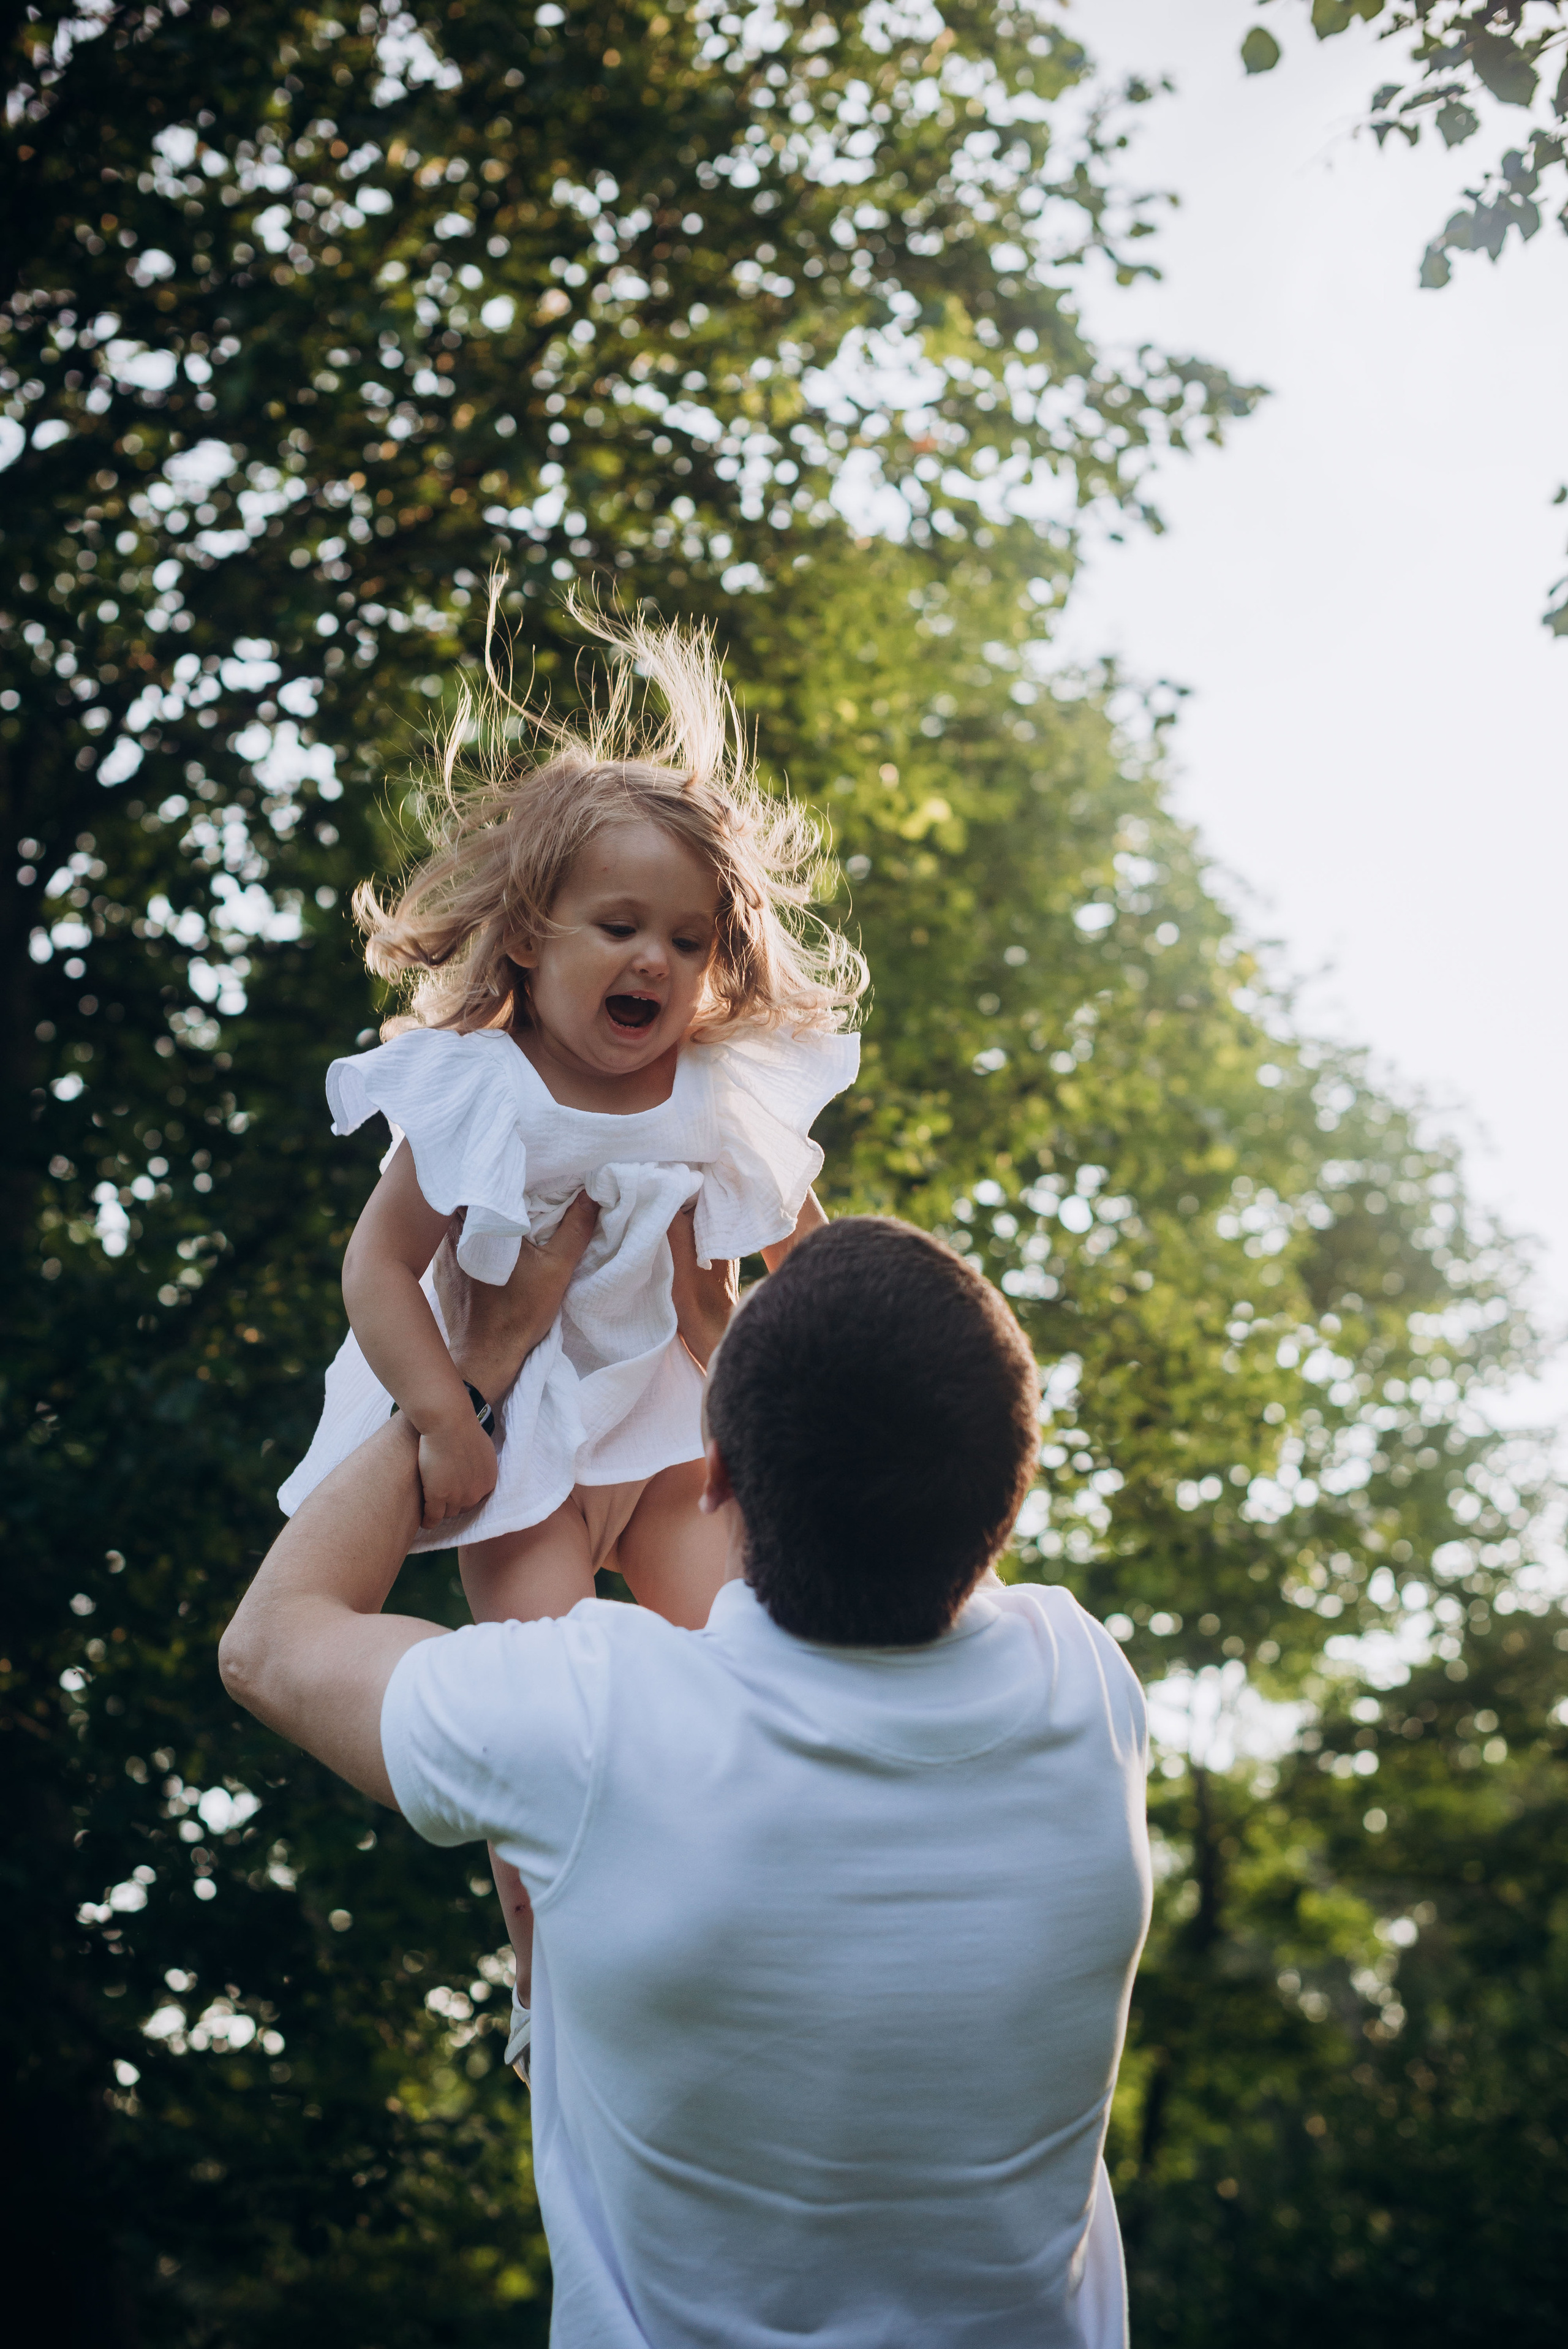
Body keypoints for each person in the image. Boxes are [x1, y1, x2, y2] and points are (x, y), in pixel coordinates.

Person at [221, 1212, 1152, 2348]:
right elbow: (942, 1512)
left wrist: (472, 1376)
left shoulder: (600, 1722)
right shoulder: (1087, 1686)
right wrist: (727, 1352)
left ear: (712, 1474)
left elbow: (272, 1642)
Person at [273, 586, 865, 1989]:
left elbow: (818, 1274)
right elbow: (378, 1263)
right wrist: (439, 1418)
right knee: (542, 1730)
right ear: (530, 937)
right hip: (519, 1445)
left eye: (684, 938)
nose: (651, 960)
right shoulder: (480, 1089)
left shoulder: (722, 1096)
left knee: (749, 1659)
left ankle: (772, 1914)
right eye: (616, 926)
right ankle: (550, 1968)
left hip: (669, 1438)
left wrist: (759, 1376)